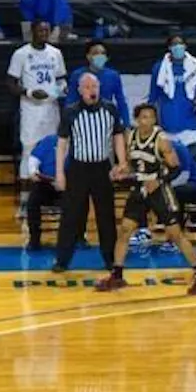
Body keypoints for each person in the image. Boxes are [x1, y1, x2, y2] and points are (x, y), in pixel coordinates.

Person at [96, 104, 196, 294]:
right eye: (144, 117)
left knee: (175, 234)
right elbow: (135, 166)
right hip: (140, 188)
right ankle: (117, 275)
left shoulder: (162, 140)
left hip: (160, 190)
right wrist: (122, 170)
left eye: (151, 117)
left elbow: (175, 168)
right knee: (125, 229)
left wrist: (158, 180)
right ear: (137, 119)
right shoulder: (130, 137)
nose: (147, 121)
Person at [51, 72, 129, 274]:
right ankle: (62, 260)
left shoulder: (110, 109)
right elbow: (61, 144)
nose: (91, 91)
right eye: (86, 87)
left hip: (102, 168)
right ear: (79, 91)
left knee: (106, 215)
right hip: (78, 168)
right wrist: (60, 173)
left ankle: (110, 259)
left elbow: (118, 136)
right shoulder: (70, 112)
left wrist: (122, 162)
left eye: (94, 86)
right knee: (71, 215)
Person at [6, 20, 67, 200]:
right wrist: (29, 92)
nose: (44, 33)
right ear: (32, 31)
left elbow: (61, 79)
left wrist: (61, 89)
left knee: (53, 149)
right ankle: (25, 198)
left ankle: (52, 195)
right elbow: (10, 83)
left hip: (51, 108)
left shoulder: (55, 53)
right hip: (31, 109)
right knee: (29, 149)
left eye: (47, 30)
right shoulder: (21, 54)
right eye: (40, 30)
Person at [149, 34, 196, 152]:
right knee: (172, 165)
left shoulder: (195, 66)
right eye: (174, 45)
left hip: (190, 124)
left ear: (185, 46)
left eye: (180, 44)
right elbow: (153, 96)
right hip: (168, 124)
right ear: (169, 48)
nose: (178, 47)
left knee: (193, 164)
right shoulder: (160, 68)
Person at [66, 41, 128, 116]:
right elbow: (71, 100)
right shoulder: (77, 75)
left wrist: (126, 124)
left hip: (106, 116)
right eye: (96, 53)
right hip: (82, 116)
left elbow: (121, 102)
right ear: (88, 56)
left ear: (107, 57)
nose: (100, 56)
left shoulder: (113, 75)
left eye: (103, 53)